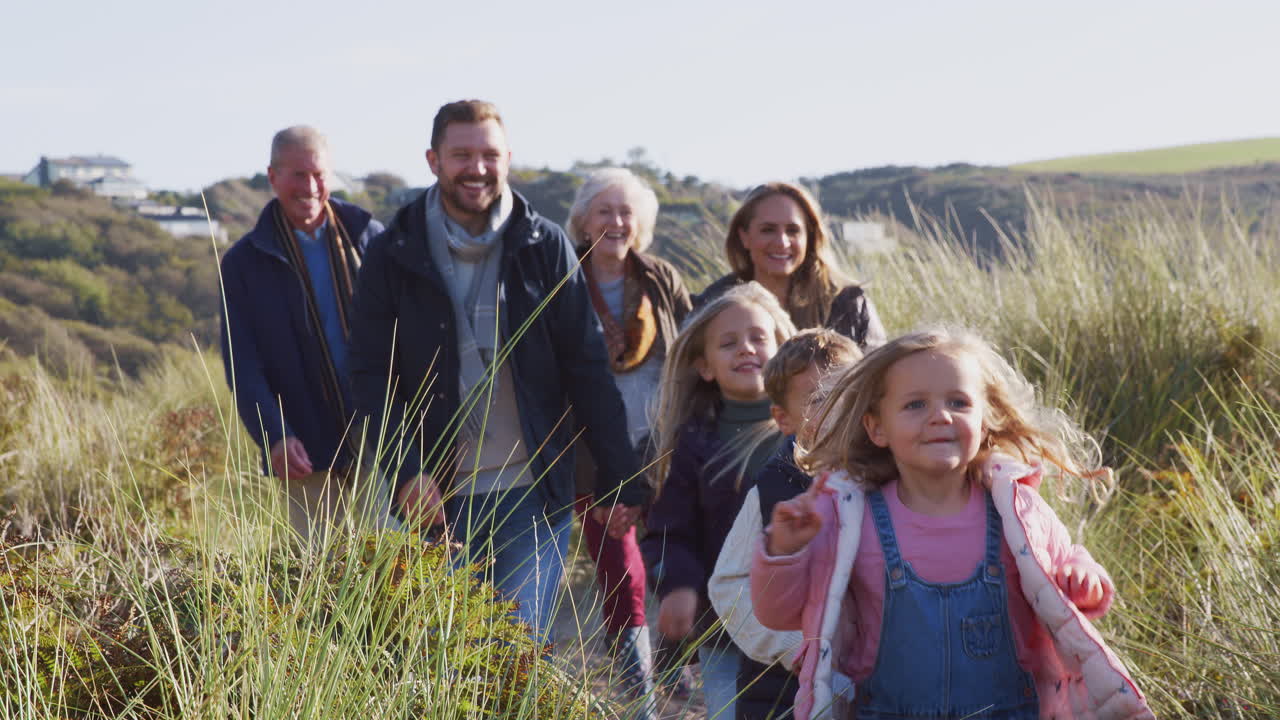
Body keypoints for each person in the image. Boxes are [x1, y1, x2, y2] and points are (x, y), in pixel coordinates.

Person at [347, 100, 647, 643]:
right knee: (441, 657)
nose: (477, 168)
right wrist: (405, 471)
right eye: (462, 155)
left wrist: (618, 474)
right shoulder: (392, 251)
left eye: (489, 155)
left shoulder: (545, 245)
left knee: (516, 654)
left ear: (508, 159)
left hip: (532, 492)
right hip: (434, 497)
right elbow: (370, 375)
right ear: (433, 160)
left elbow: (586, 366)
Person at [751, 327, 1154, 720]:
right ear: (877, 427)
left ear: (984, 421)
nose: (940, 416)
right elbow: (779, 613)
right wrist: (784, 550)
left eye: (958, 402)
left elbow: (1065, 561)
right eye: (915, 405)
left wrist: (1082, 577)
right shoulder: (848, 518)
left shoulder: (1016, 510)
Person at [219, 125, 392, 543]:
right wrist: (275, 435)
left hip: (382, 433)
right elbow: (243, 365)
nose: (311, 187)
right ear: (273, 176)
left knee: (395, 561)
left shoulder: (370, 237)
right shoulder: (244, 263)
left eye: (319, 175)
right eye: (299, 175)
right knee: (317, 568)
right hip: (302, 443)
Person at [563, 167, 692, 714]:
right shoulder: (562, 275)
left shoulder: (661, 277)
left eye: (626, 212)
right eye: (604, 211)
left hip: (662, 449)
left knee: (673, 561)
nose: (616, 222)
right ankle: (638, 696)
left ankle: (675, 661)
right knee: (621, 570)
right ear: (584, 221)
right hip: (592, 456)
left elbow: (689, 352)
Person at [639, 282, 796, 719]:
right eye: (728, 343)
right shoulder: (694, 444)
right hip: (724, 631)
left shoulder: (811, 434)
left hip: (802, 627)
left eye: (758, 338)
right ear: (705, 367)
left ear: (784, 350)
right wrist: (678, 586)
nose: (745, 348)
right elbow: (671, 531)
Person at [707, 328, 862, 720]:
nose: (840, 410)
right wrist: (799, 648)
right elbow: (729, 586)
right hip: (782, 693)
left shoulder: (893, 479)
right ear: (784, 418)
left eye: (851, 394)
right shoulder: (775, 490)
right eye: (819, 400)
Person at [697, 182, 886, 348]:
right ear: (744, 236)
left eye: (793, 231)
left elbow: (876, 372)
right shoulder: (712, 304)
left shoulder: (850, 305)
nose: (782, 242)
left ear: (809, 237)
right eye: (768, 230)